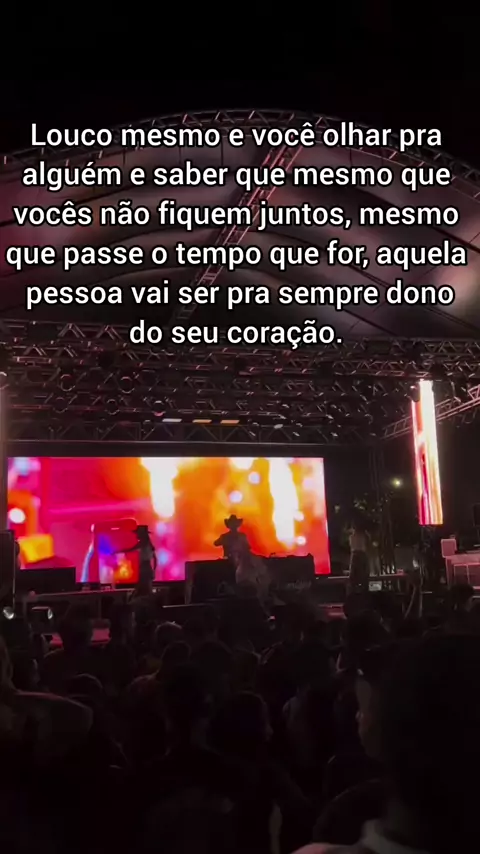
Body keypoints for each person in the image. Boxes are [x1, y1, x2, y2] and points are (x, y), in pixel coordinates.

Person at [119, 525, 157, 591]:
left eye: (138, 533)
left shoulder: (143, 543)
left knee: (143, 588)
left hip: (144, 568)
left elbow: (130, 550)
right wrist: (153, 570)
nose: (137, 535)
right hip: (148, 568)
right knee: (147, 588)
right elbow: (155, 559)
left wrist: (118, 551)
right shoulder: (149, 544)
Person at [348, 524, 370, 595]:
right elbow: (368, 543)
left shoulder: (352, 536)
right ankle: (364, 590)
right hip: (361, 553)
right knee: (364, 573)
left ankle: (353, 590)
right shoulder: (363, 535)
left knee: (353, 575)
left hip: (355, 554)